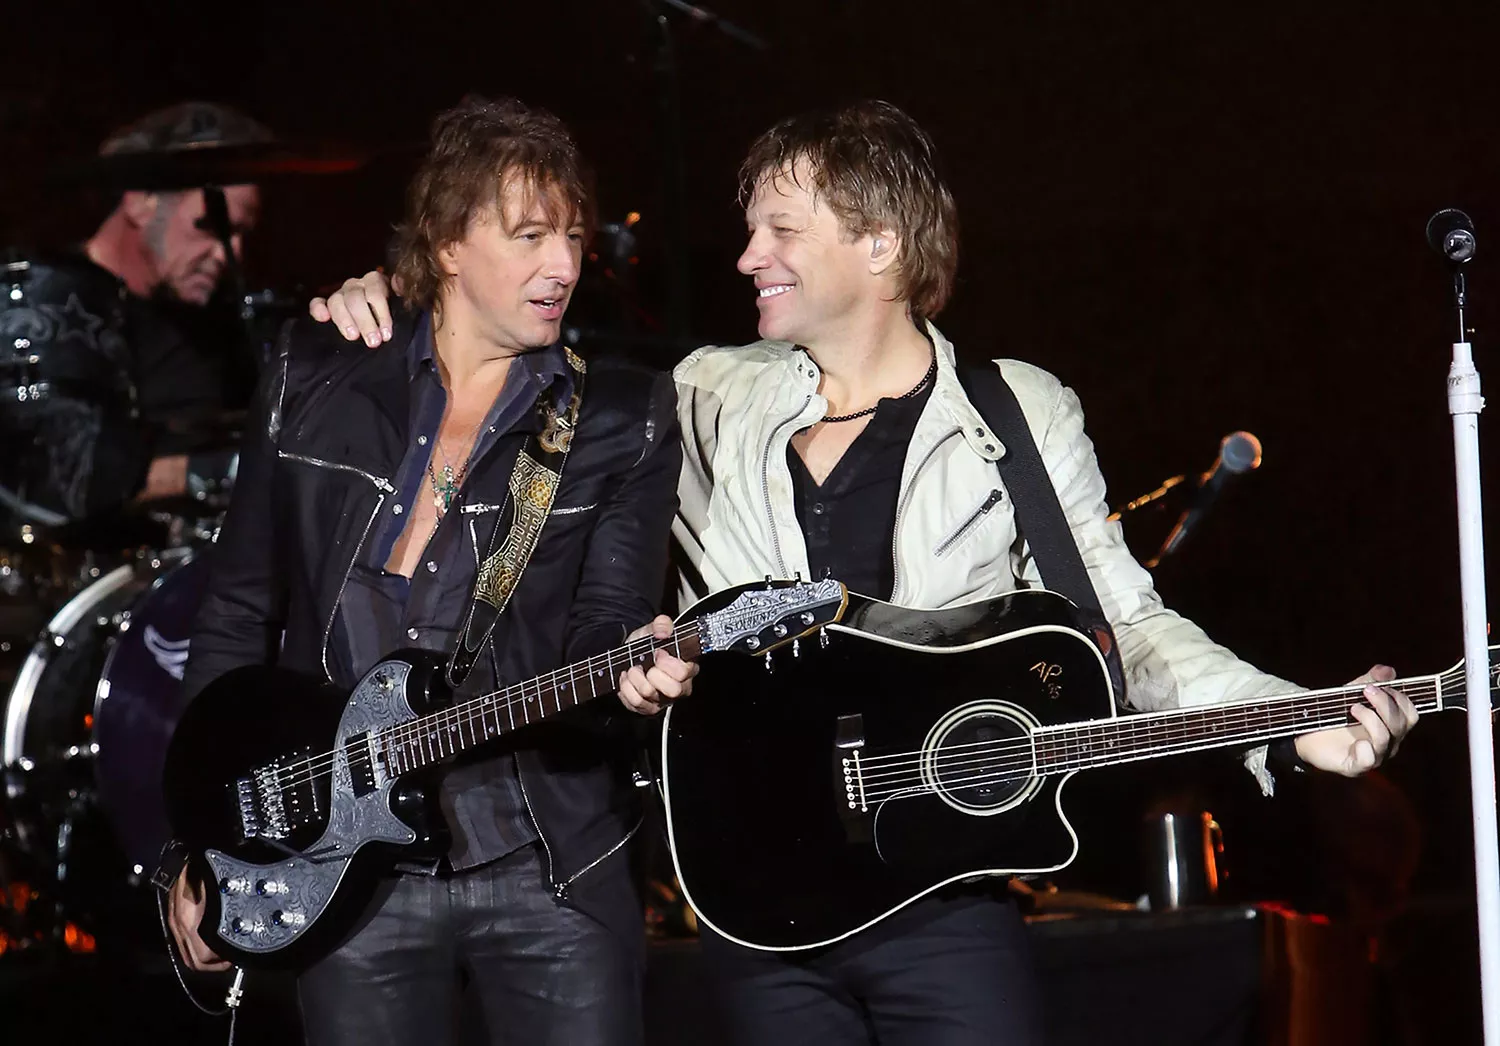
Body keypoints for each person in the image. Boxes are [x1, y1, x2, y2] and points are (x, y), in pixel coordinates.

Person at [313, 100, 1418, 1045]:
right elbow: (499, 347)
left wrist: (1290, 714)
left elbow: (1125, 626)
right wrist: (396, 297)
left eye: (780, 229)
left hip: (944, 896)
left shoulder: (1014, 411)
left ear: (880, 242)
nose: (747, 256)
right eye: (751, 230)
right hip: (754, 892)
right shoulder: (701, 394)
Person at [166, 96, 696, 1046]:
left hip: (548, 868)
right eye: (530, 235)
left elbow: (607, 622)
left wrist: (636, 670)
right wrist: (196, 847)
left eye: (572, 236)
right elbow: (238, 613)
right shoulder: (314, 373)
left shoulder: (624, 416)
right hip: (340, 875)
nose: (566, 266)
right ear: (449, 242)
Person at [0, 101, 267, 527]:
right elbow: (66, 482)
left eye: (240, 234)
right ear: (141, 202)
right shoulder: (48, 302)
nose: (230, 253)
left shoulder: (219, 326)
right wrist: (222, 471)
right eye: (209, 227)